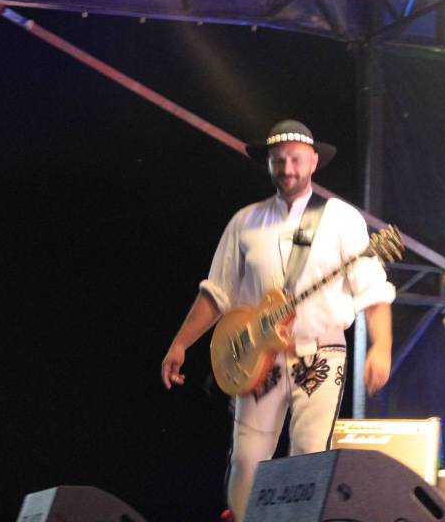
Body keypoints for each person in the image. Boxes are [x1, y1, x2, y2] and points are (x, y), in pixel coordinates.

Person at [160, 119, 395, 520]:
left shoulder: (341, 219)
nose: (288, 168)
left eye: (296, 159)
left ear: (314, 162)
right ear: (268, 163)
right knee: (246, 461)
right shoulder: (245, 221)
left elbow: (373, 291)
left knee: (308, 458)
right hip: (258, 357)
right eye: (279, 160)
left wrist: (382, 346)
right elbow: (216, 293)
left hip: (319, 354)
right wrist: (180, 343)